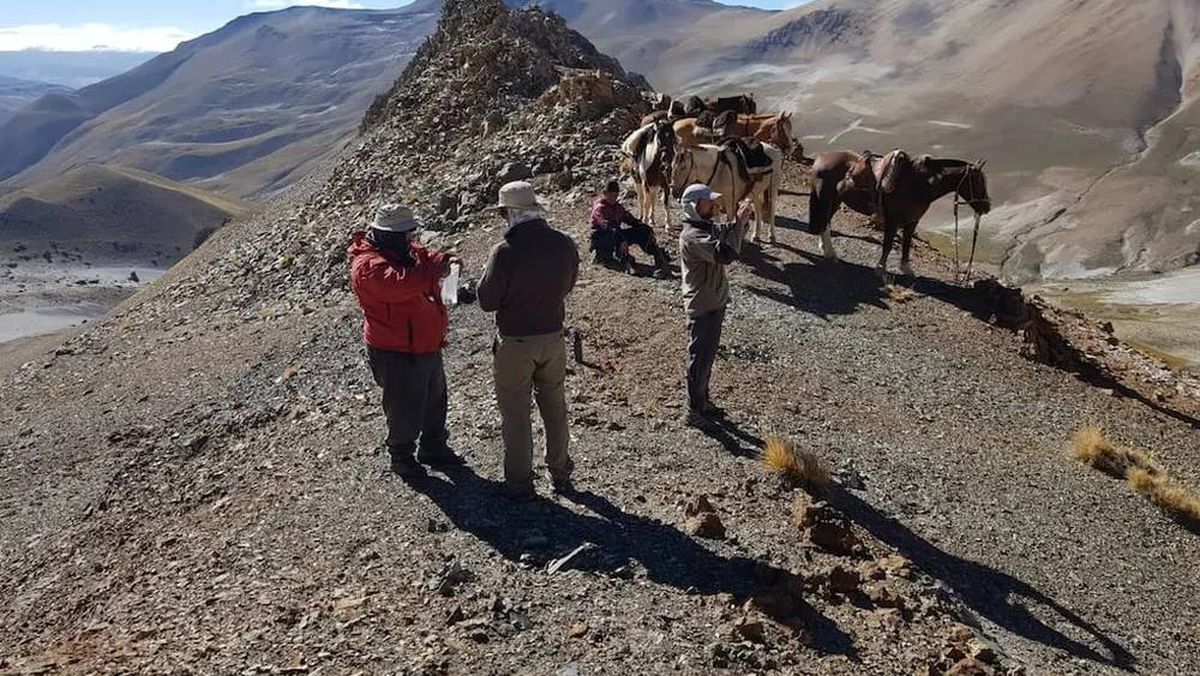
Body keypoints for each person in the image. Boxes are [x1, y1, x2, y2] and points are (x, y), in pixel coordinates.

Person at [478, 181, 580, 498]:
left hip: (516, 343)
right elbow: (569, 284)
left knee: (516, 414)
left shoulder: (504, 252)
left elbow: (487, 300)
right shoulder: (564, 243)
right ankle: (560, 471)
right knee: (555, 407)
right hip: (553, 337)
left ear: (509, 212)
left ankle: (520, 481)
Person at [348, 203, 463, 478]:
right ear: (387, 235)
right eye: (405, 235)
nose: (411, 240)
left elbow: (426, 257)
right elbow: (400, 285)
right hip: (395, 350)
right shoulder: (367, 266)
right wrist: (437, 271)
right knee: (404, 407)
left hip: (424, 344)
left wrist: (445, 259)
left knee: (435, 399)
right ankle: (401, 456)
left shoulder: (403, 251)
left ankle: (433, 447)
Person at [677, 184, 754, 429]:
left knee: (706, 357)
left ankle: (702, 401)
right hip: (703, 305)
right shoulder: (692, 237)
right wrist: (739, 222)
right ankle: (693, 410)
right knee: (699, 358)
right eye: (708, 202)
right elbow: (724, 254)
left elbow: (726, 232)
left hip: (713, 302)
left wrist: (740, 222)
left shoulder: (704, 229)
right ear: (694, 206)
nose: (713, 205)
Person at [589, 179, 672, 278]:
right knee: (614, 235)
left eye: (615, 195)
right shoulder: (600, 208)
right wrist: (622, 240)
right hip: (603, 238)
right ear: (605, 194)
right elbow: (606, 226)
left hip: (617, 234)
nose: (613, 198)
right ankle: (627, 262)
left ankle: (658, 255)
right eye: (611, 195)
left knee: (642, 230)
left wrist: (644, 227)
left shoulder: (617, 207)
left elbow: (630, 219)